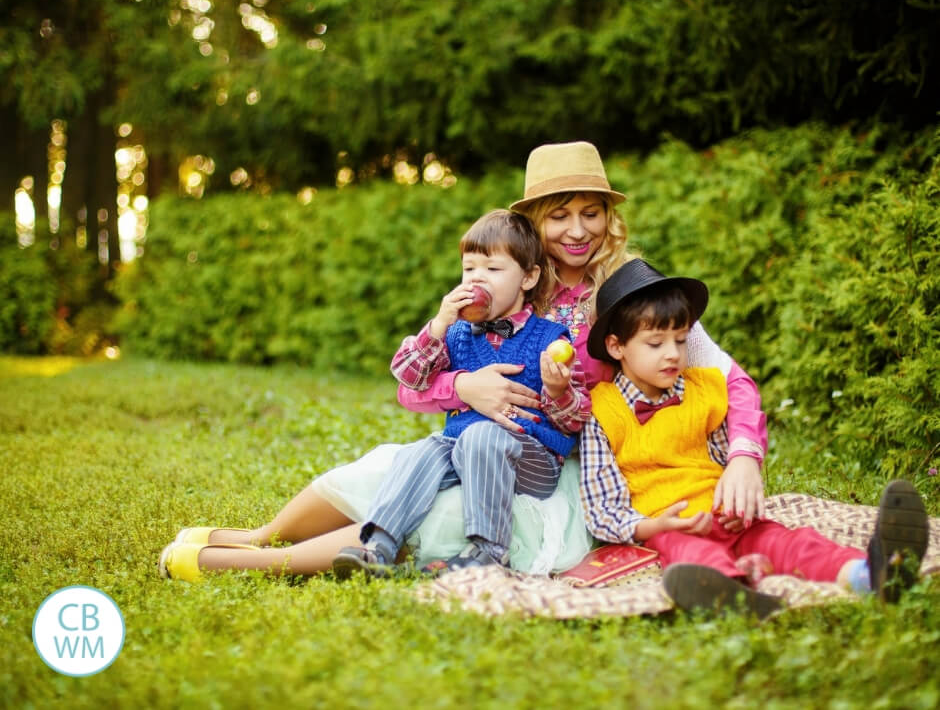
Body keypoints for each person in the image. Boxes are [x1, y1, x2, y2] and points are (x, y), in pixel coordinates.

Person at [159, 141, 766, 581]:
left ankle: (259, 562)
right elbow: (414, 386)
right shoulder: (499, 283)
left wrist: (743, 457)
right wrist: (465, 385)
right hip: (476, 435)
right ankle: (257, 536)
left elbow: (727, 379)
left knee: (442, 512)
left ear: (610, 217)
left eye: (591, 212)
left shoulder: (633, 291)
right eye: (558, 214)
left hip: (573, 466)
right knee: (389, 471)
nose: (577, 230)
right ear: (531, 223)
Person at [579, 258, 930, 617]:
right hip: (672, 526)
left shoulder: (705, 390)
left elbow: (724, 461)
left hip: (727, 518)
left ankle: (872, 575)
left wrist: (738, 507)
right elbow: (604, 508)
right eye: (656, 343)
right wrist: (656, 525)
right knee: (694, 557)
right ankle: (733, 596)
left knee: (793, 542)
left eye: (681, 340)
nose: (673, 353)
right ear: (616, 347)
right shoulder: (602, 412)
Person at [331, 209, 591, 577]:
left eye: (493, 269)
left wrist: (558, 389)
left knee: (482, 436)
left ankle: (488, 551)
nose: (477, 279)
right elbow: (409, 377)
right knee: (422, 449)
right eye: (469, 269)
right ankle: (378, 547)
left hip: (531, 459)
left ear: (528, 277)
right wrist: (438, 325)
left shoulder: (551, 339)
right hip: (462, 448)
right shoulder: (454, 334)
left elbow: (576, 419)